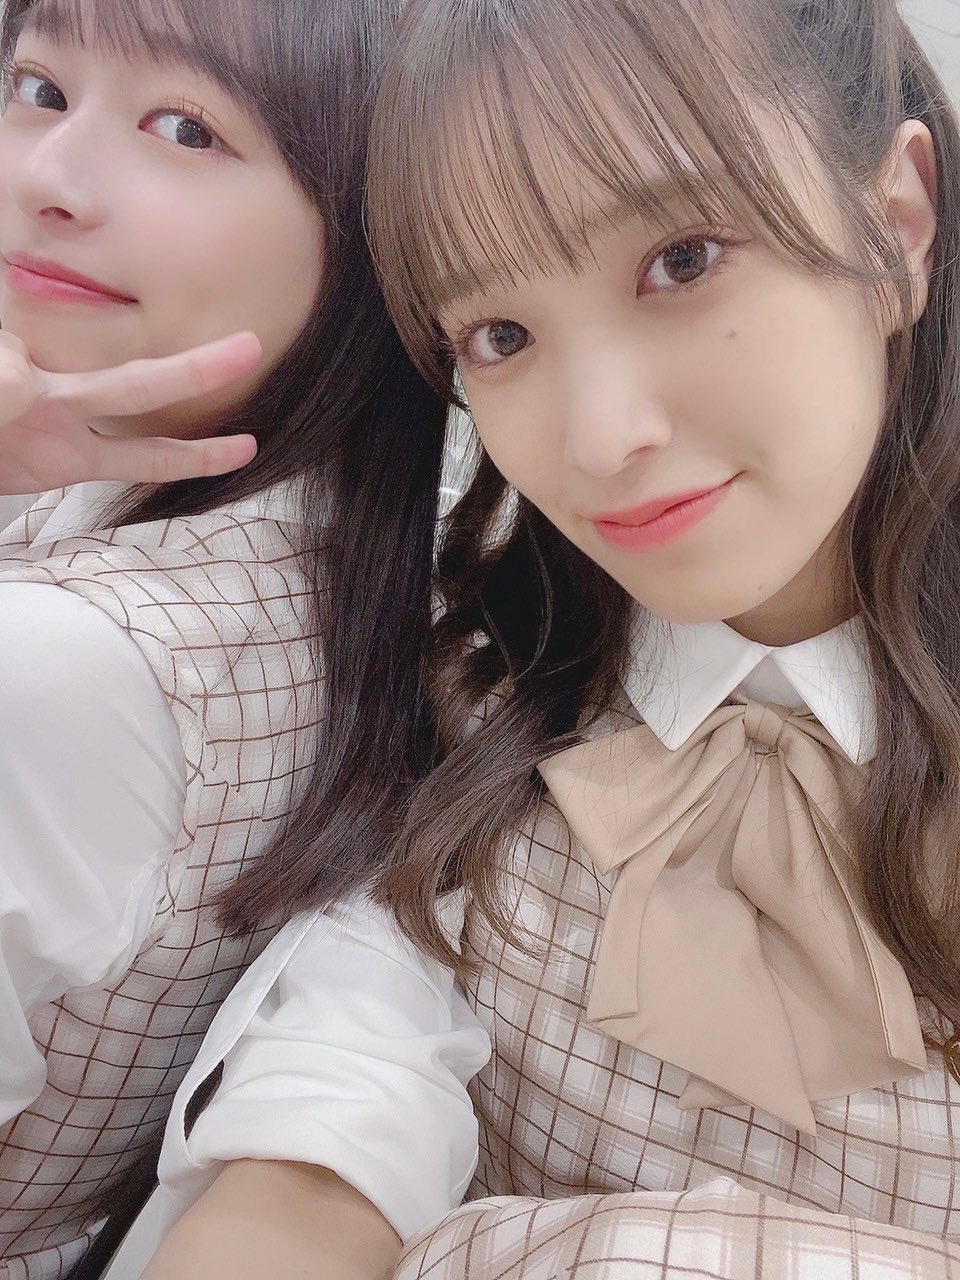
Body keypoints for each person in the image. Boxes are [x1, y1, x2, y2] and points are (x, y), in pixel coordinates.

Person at [137, 0, 960, 1275]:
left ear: (896, 224)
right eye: (501, 335)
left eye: (683, 258)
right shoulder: (485, 702)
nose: (600, 437)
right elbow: (327, 1114)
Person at [0, 0, 451, 1276]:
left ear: (370, 238)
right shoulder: (344, 568)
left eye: (187, 127)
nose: (49, 177)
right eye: (38, 89)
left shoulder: (59, 667)